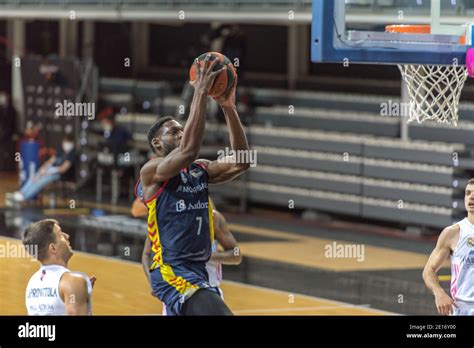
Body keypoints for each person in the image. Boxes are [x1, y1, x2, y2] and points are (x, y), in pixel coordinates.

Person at [137, 54, 249, 315]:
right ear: (156, 144)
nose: (180, 133)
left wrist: (228, 107)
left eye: (181, 129)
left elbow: (242, 162)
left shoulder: (200, 169)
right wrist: (200, 91)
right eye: (173, 132)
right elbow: (187, 150)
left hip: (198, 274)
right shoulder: (152, 171)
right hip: (173, 271)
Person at [132, 195, 242, 315]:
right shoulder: (165, 219)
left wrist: (209, 256)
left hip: (207, 293)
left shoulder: (213, 218)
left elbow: (236, 255)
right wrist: (152, 283)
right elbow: (146, 255)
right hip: (176, 291)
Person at [22, 219, 96, 315]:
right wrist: (79, 291)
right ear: (53, 248)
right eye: (61, 234)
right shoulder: (73, 281)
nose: (67, 236)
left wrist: (81, 295)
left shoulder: (32, 283)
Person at [423, 178, 474, 315]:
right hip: (461, 309)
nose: (471, 197)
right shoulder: (453, 233)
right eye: (468, 193)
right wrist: (438, 292)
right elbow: (429, 270)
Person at [6, 134, 76, 204]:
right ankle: (20, 193)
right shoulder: (61, 150)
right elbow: (51, 161)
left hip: (59, 174)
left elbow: (63, 169)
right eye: (65, 142)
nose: (65, 145)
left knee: (41, 181)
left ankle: (24, 197)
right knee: (35, 176)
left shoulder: (71, 154)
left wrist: (47, 173)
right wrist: (43, 169)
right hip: (51, 169)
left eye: (68, 143)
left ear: (72, 144)